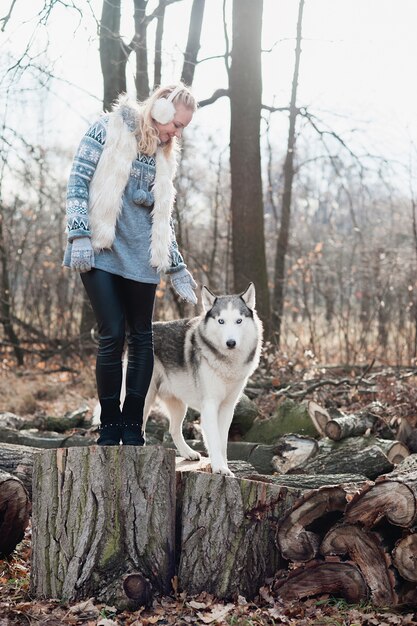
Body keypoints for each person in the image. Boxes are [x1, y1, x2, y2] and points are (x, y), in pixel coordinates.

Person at [63, 84, 198, 446]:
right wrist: (78, 234)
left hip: (142, 257)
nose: (177, 133)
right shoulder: (106, 129)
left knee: (142, 336)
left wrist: (177, 266)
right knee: (112, 333)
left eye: (183, 128)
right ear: (162, 110)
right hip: (101, 249)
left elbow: (163, 218)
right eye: (177, 124)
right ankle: (109, 424)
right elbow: (77, 180)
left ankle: (132, 425)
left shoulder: (164, 156)